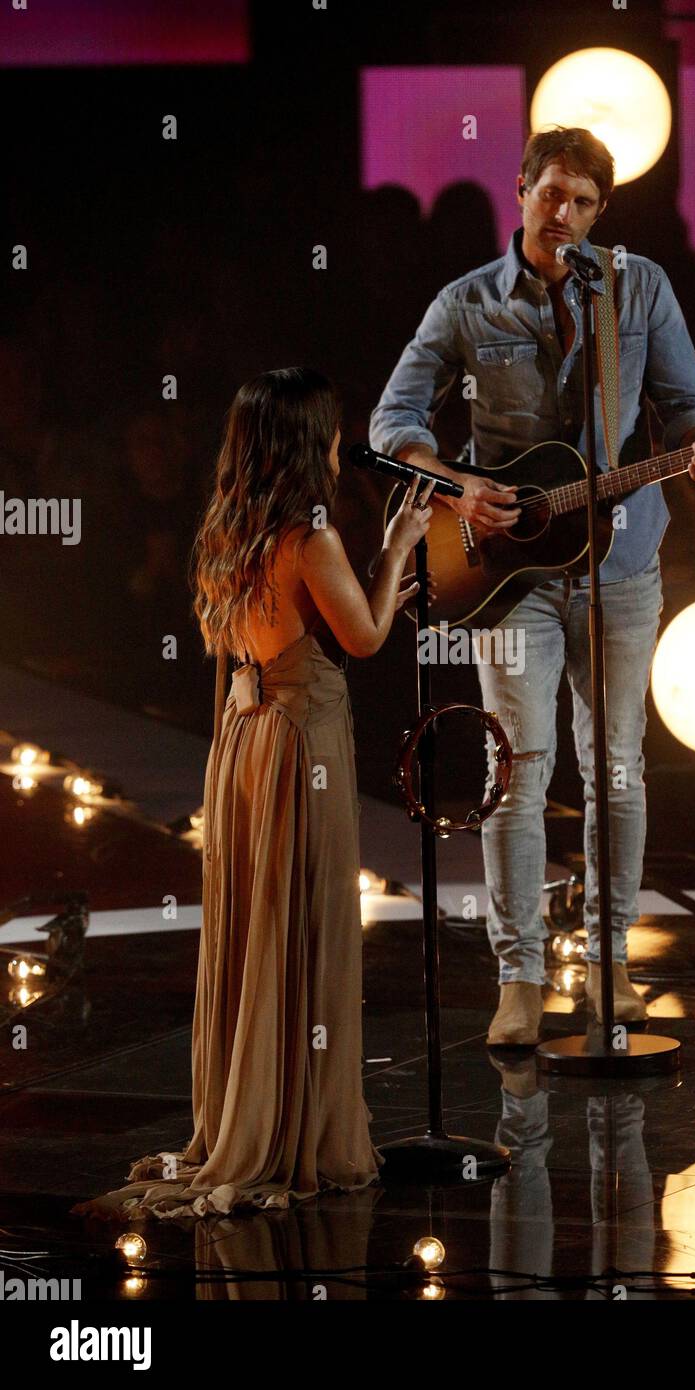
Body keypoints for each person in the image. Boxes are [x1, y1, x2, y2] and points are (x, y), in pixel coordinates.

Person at [370, 127, 695, 1045]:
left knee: (615, 766)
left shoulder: (638, 288)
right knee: (518, 769)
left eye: (579, 202)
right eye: (548, 195)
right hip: (508, 574)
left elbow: (688, 406)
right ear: (520, 191)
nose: (560, 214)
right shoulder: (466, 303)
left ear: (599, 213)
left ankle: (610, 965)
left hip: (621, 563)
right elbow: (390, 422)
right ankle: (519, 978)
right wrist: (457, 486)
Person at [70, 367, 433, 1220]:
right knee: (299, 925)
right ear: (309, 443)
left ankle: (250, 1111)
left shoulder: (227, 531)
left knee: (256, 930)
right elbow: (367, 637)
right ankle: (292, 1132)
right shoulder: (311, 539)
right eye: (333, 432)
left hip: (244, 746)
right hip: (300, 745)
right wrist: (398, 548)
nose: (344, 447)